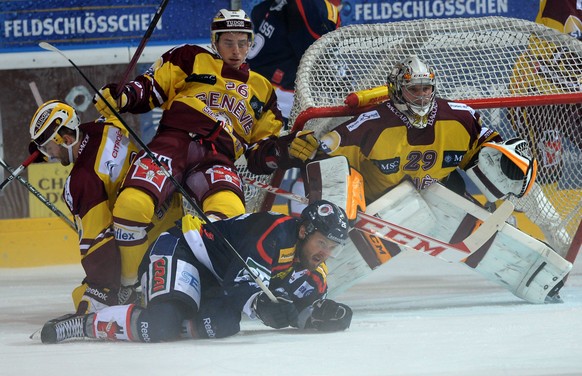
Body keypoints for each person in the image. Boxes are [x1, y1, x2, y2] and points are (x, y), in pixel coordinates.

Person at [93, 9, 319, 288]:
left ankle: (203, 285)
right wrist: (124, 96)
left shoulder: (263, 90)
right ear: (214, 41)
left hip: (217, 158)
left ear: (251, 43)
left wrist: (287, 150)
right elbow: (151, 88)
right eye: (228, 42)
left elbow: (261, 151)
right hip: (173, 143)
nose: (236, 51)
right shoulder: (190, 58)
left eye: (243, 42)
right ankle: (128, 285)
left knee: (230, 217)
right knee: (132, 205)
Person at [40, 200, 353, 344]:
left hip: (213, 277)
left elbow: (295, 307)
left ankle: (172, 311)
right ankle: (84, 324)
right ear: (304, 232)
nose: (325, 253)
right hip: (182, 249)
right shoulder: (274, 233)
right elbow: (241, 286)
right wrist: (262, 306)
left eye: (332, 247)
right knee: (160, 326)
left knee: (224, 324)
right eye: (322, 242)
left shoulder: (313, 265)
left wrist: (317, 316)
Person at [28, 101, 180, 314]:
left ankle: (131, 287)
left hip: (148, 240)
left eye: (48, 148)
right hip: (174, 208)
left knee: (84, 296)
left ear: (67, 139)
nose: (50, 155)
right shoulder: (107, 126)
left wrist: (102, 289)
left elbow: (99, 248)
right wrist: (42, 153)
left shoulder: (82, 181)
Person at [314, 55, 530, 205]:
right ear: (398, 90)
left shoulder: (459, 118)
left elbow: (484, 152)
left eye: (426, 88)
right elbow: (324, 153)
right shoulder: (372, 124)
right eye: (413, 89)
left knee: (453, 184)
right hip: (379, 205)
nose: (421, 96)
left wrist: (506, 163)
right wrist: (303, 148)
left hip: (436, 196)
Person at [247, 0, 341, 125]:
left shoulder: (309, 8)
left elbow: (322, 63)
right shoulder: (267, 9)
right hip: (262, 98)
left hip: (280, 106)